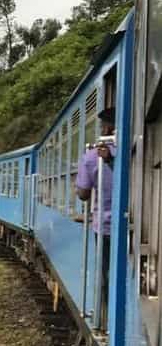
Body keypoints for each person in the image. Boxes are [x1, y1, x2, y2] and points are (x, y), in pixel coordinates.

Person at [75, 106, 116, 330]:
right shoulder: (136, 149)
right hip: (138, 227)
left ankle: (107, 320)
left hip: (106, 226)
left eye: (102, 126)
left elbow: (83, 194)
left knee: (106, 274)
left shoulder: (92, 156)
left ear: (108, 128)